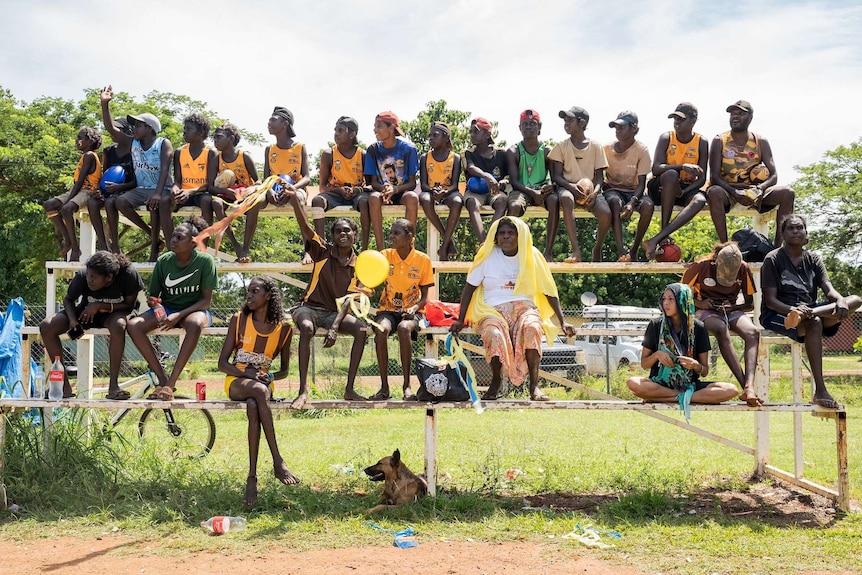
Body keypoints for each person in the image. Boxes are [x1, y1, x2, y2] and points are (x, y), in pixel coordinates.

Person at [449, 217, 576, 401]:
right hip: (491, 310)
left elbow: (548, 290)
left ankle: (534, 386)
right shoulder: (487, 255)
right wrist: (460, 319)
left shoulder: (532, 255)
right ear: (496, 236)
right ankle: (495, 382)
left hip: (524, 309)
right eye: (502, 233)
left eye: (511, 233)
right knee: (493, 333)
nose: (506, 237)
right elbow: (469, 288)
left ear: (520, 235)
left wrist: (562, 321)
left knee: (532, 328)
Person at [760, 214, 862, 409]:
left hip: (811, 310)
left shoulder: (813, 258)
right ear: (782, 234)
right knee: (814, 323)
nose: (796, 231)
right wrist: (793, 310)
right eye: (791, 228)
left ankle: (813, 314)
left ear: (806, 232)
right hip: (778, 313)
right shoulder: (772, 259)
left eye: (800, 228)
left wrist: (840, 300)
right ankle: (820, 390)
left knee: (855, 300)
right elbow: (771, 301)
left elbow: (829, 290)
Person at [218, 276, 298, 506]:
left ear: (268, 296)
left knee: (255, 403)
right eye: (248, 292)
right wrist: (248, 374)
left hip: (262, 384)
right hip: (237, 380)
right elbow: (222, 363)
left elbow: (283, 370)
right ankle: (278, 462)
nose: (249, 296)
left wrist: (269, 376)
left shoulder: (284, 329)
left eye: (255, 291)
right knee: (259, 393)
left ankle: (252, 478)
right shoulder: (239, 320)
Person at [284, 187, 367, 408]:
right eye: (338, 231)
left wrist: (334, 327)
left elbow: (350, 300)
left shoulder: (360, 264)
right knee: (307, 328)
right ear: (332, 236)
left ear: (355, 235)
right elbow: (305, 227)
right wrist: (295, 200)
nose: (343, 234)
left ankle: (349, 389)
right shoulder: (322, 251)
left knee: (361, 330)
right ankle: (302, 391)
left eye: (348, 230)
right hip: (309, 308)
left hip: (334, 314)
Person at [127, 216, 217, 401]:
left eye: (179, 238)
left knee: (195, 323)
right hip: (168, 309)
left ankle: (170, 384)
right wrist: (157, 305)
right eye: (173, 236)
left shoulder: (206, 261)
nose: (173, 240)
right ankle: (162, 379)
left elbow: (206, 301)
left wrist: (179, 315)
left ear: (193, 243)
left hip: (194, 310)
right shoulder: (164, 261)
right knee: (134, 325)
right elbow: (153, 296)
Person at [39, 251, 144, 399]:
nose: (89, 279)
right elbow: (68, 299)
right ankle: (63, 387)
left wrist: (100, 305)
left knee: (119, 325)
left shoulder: (128, 274)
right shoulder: (83, 276)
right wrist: (72, 320)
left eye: (94, 277)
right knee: (46, 326)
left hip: (116, 313)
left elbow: (129, 304)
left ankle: (113, 386)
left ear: (109, 277)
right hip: (87, 313)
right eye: (88, 275)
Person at [627, 283, 738, 404]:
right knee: (633, 383)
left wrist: (696, 365)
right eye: (664, 299)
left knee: (731, 390)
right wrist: (657, 355)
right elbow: (644, 364)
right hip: (659, 385)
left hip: (690, 385)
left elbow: (705, 371)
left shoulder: (699, 328)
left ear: (683, 300)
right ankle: (682, 397)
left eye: (671, 299)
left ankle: (672, 398)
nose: (666, 303)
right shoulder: (655, 325)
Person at [682, 242, 762, 406]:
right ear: (716, 260)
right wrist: (700, 303)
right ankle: (745, 386)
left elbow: (750, 304)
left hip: (731, 310)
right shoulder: (700, 266)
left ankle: (750, 386)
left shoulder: (743, 268)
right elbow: (679, 295)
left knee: (753, 332)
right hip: (705, 311)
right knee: (720, 328)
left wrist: (733, 306)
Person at [706, 100, 794, 247]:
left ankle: (778, 249)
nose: (735, 117)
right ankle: (726, 246)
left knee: (787, 193)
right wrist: (735, 192)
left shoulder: (760, 141)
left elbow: (774, 176)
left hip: (755, 191)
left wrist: (759, 189)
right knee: (714, 191)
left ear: (750, 117)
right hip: (729, 190)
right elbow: (714, 177)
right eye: (733, 114)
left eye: (740, 114)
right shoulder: (719, 140)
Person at [100, 86, 174, 260]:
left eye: (138, 125)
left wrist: (157, 193)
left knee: (155, 206)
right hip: (141, 188)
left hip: (161, 188)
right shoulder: (133, 142)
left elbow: (165, 169)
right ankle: (150, 234)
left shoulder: (163, 143)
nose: (134, 128)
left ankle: (157, 247)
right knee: (120, 201)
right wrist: (104, 104)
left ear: (149, 128)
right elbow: (111, 129)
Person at [371, 219, 434, 400]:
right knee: (381, 329)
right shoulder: (384, 256)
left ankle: (407, 386)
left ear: (409, 237)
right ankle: (384, 388)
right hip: (388, 309)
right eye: (391, 233)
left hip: (413, 311)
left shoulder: (423, 260)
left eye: (396, 233)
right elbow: (370, 281)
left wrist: (413, 308)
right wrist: (366, 289)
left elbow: (424, 298)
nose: (392, 237)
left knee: (404, 328)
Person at [642, 103, 709, 260]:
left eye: (681, 119)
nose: (676, 122)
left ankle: (655, 239)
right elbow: (656, 169)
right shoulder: (667, 137)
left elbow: (702, 179)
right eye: (674, 118)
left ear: (693, 121)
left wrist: (684, 192)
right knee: (671, 174)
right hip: (660, 187)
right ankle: (665, 231)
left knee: (700, 199)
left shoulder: (701, 142)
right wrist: (683, 166)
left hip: (684, 188)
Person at [548, 106, 611, 262]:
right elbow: (556, 176)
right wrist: (571, 187)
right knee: (566, 199)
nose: (566, 123)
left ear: (582, 123)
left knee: (606, 213)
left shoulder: (596, 146)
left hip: (591, 191)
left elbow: (599, 177)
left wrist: (595, 192)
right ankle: (575, 251)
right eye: (565, 120)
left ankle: (597, 248)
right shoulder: (561, 146)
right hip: (567, 187)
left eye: (570, 120)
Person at [306, 116, 366, 261]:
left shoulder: (362, 154)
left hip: (356, 193)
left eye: (341, 130)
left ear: (352, 134)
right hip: (335, 193)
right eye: (335, 130)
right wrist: (339, 190)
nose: (336, 134)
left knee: (366, 202)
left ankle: (365, 248)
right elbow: (322, 187)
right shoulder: (329, 154)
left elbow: (370, 185)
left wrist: (356, 190)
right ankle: (321, 245)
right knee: (317, 201)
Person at [158, 113, 218, 253]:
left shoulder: (210, 152)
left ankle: (202, 247)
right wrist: (175, 188)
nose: (184, 131)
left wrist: (190, 191)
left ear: (201, 132)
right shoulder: (179, 152)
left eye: (189, 129)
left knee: (207, 201)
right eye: (184, 128)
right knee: (164, 201)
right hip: (183, 194)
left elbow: (209, 184)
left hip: (200, 192)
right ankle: (171, 246)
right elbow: (178, 180)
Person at [362, 111, 420, 250]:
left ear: (391, 128)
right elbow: (373, 182)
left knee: (412, 198)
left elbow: (412, 183)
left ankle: (408, 246)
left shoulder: (409, 149)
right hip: (382, 192)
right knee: (373, 198)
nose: (375, 130)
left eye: (379, 126)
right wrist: (385, 190)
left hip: (402, 191)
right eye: (375, 126)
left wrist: (395, 189)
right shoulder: (373, 150)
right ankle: (381, 249)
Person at [43, 127, 102, 262]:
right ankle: (68, 239)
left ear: (90, 141)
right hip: (79, 189)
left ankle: (75, 248)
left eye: (80, 138)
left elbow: (81, 181)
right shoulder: (84, 156)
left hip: (88, 190)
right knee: (49, 205)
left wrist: (68, 200)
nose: (77, 141)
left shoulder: (89, 156)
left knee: (66, 208)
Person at [603, 111, 654, 262]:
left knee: (648, 206)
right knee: (614, 202)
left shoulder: (642, 150)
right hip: (613, 189)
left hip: (634, 190)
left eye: (622, 127)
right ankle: (621, 251)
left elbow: (642, 182)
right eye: (616, 127)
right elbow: (598, 173)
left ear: (634, 129)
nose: (618, 130)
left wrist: (632, 202)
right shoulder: (606, 149)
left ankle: (634, 249)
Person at [505, 109, 556, 259]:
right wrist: (532, 193)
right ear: (519, 128)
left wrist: (547, 188)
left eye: (532, 124)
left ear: (539, 127)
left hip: (541, 188)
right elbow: (514, 181)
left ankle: (548, 251)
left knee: (554, 200)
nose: (528, 127)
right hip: (521, 189)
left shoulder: (547, 151)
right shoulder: (513, 150)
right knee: (513, 206)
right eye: (525, 124)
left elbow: (554, 180)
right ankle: (510, 251)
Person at [211, 122, 262, 263]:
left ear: (231, 139)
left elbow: (258, 181)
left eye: (219, 137)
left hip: (245, 195)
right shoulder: (216, 159)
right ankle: (236, 245)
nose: (215, 141)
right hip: (226, 194)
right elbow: (210, 186)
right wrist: (225, 190)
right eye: (214, 138)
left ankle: (245, 247)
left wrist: (249, 191)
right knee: (215, 203)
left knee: (255, 201)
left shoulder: (244, 157)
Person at [89, 118, 137, 252]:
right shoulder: (108, 151)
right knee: (92, 202)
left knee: (110, 202)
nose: (112, 133)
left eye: (117, 129)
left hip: (128, 189)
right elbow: (106, 174)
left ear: (127, 131)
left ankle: (115, 245)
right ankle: (103, 244)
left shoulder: (136, 150)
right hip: (110, 189)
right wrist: (99, 189)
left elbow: (137, 180)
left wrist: (119, 187)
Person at [418, 121, 462, 260]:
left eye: (435, 135)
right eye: (430, 135)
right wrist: (432, 191)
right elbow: (423, 184)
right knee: (424, 199)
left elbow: (455, 185)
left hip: (448, 192)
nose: (431, 138)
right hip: (431, 192)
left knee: (457, 201)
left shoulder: (455, 158)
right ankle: (448, 240)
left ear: (446, 137)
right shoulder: (425, 157)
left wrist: (444, 192)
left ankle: (443, 247)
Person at [463, 117, 508, 244]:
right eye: (471, 131)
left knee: (502, 201)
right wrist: (486, 176)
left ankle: (490, 239)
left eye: (476, 131)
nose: (472, 135)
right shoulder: (468, 153)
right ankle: (483, 242)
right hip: (475, 191)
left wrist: (505, 181)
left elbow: (509, 175)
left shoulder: (501, 153)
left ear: (487, 134)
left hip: (495, 191)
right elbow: (471, 168)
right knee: (472, 203)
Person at [263, 106, 311, 207]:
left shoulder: (300, 147)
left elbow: (306, 178)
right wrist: (269, 191)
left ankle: (304, 223)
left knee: (297, 198)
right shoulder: (269, 149)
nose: (269, 123)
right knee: (256, 200)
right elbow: (266, 178)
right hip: (273, 189)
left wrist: (292, 188)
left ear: (285, 124)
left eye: (273, 120)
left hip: (295, 188)